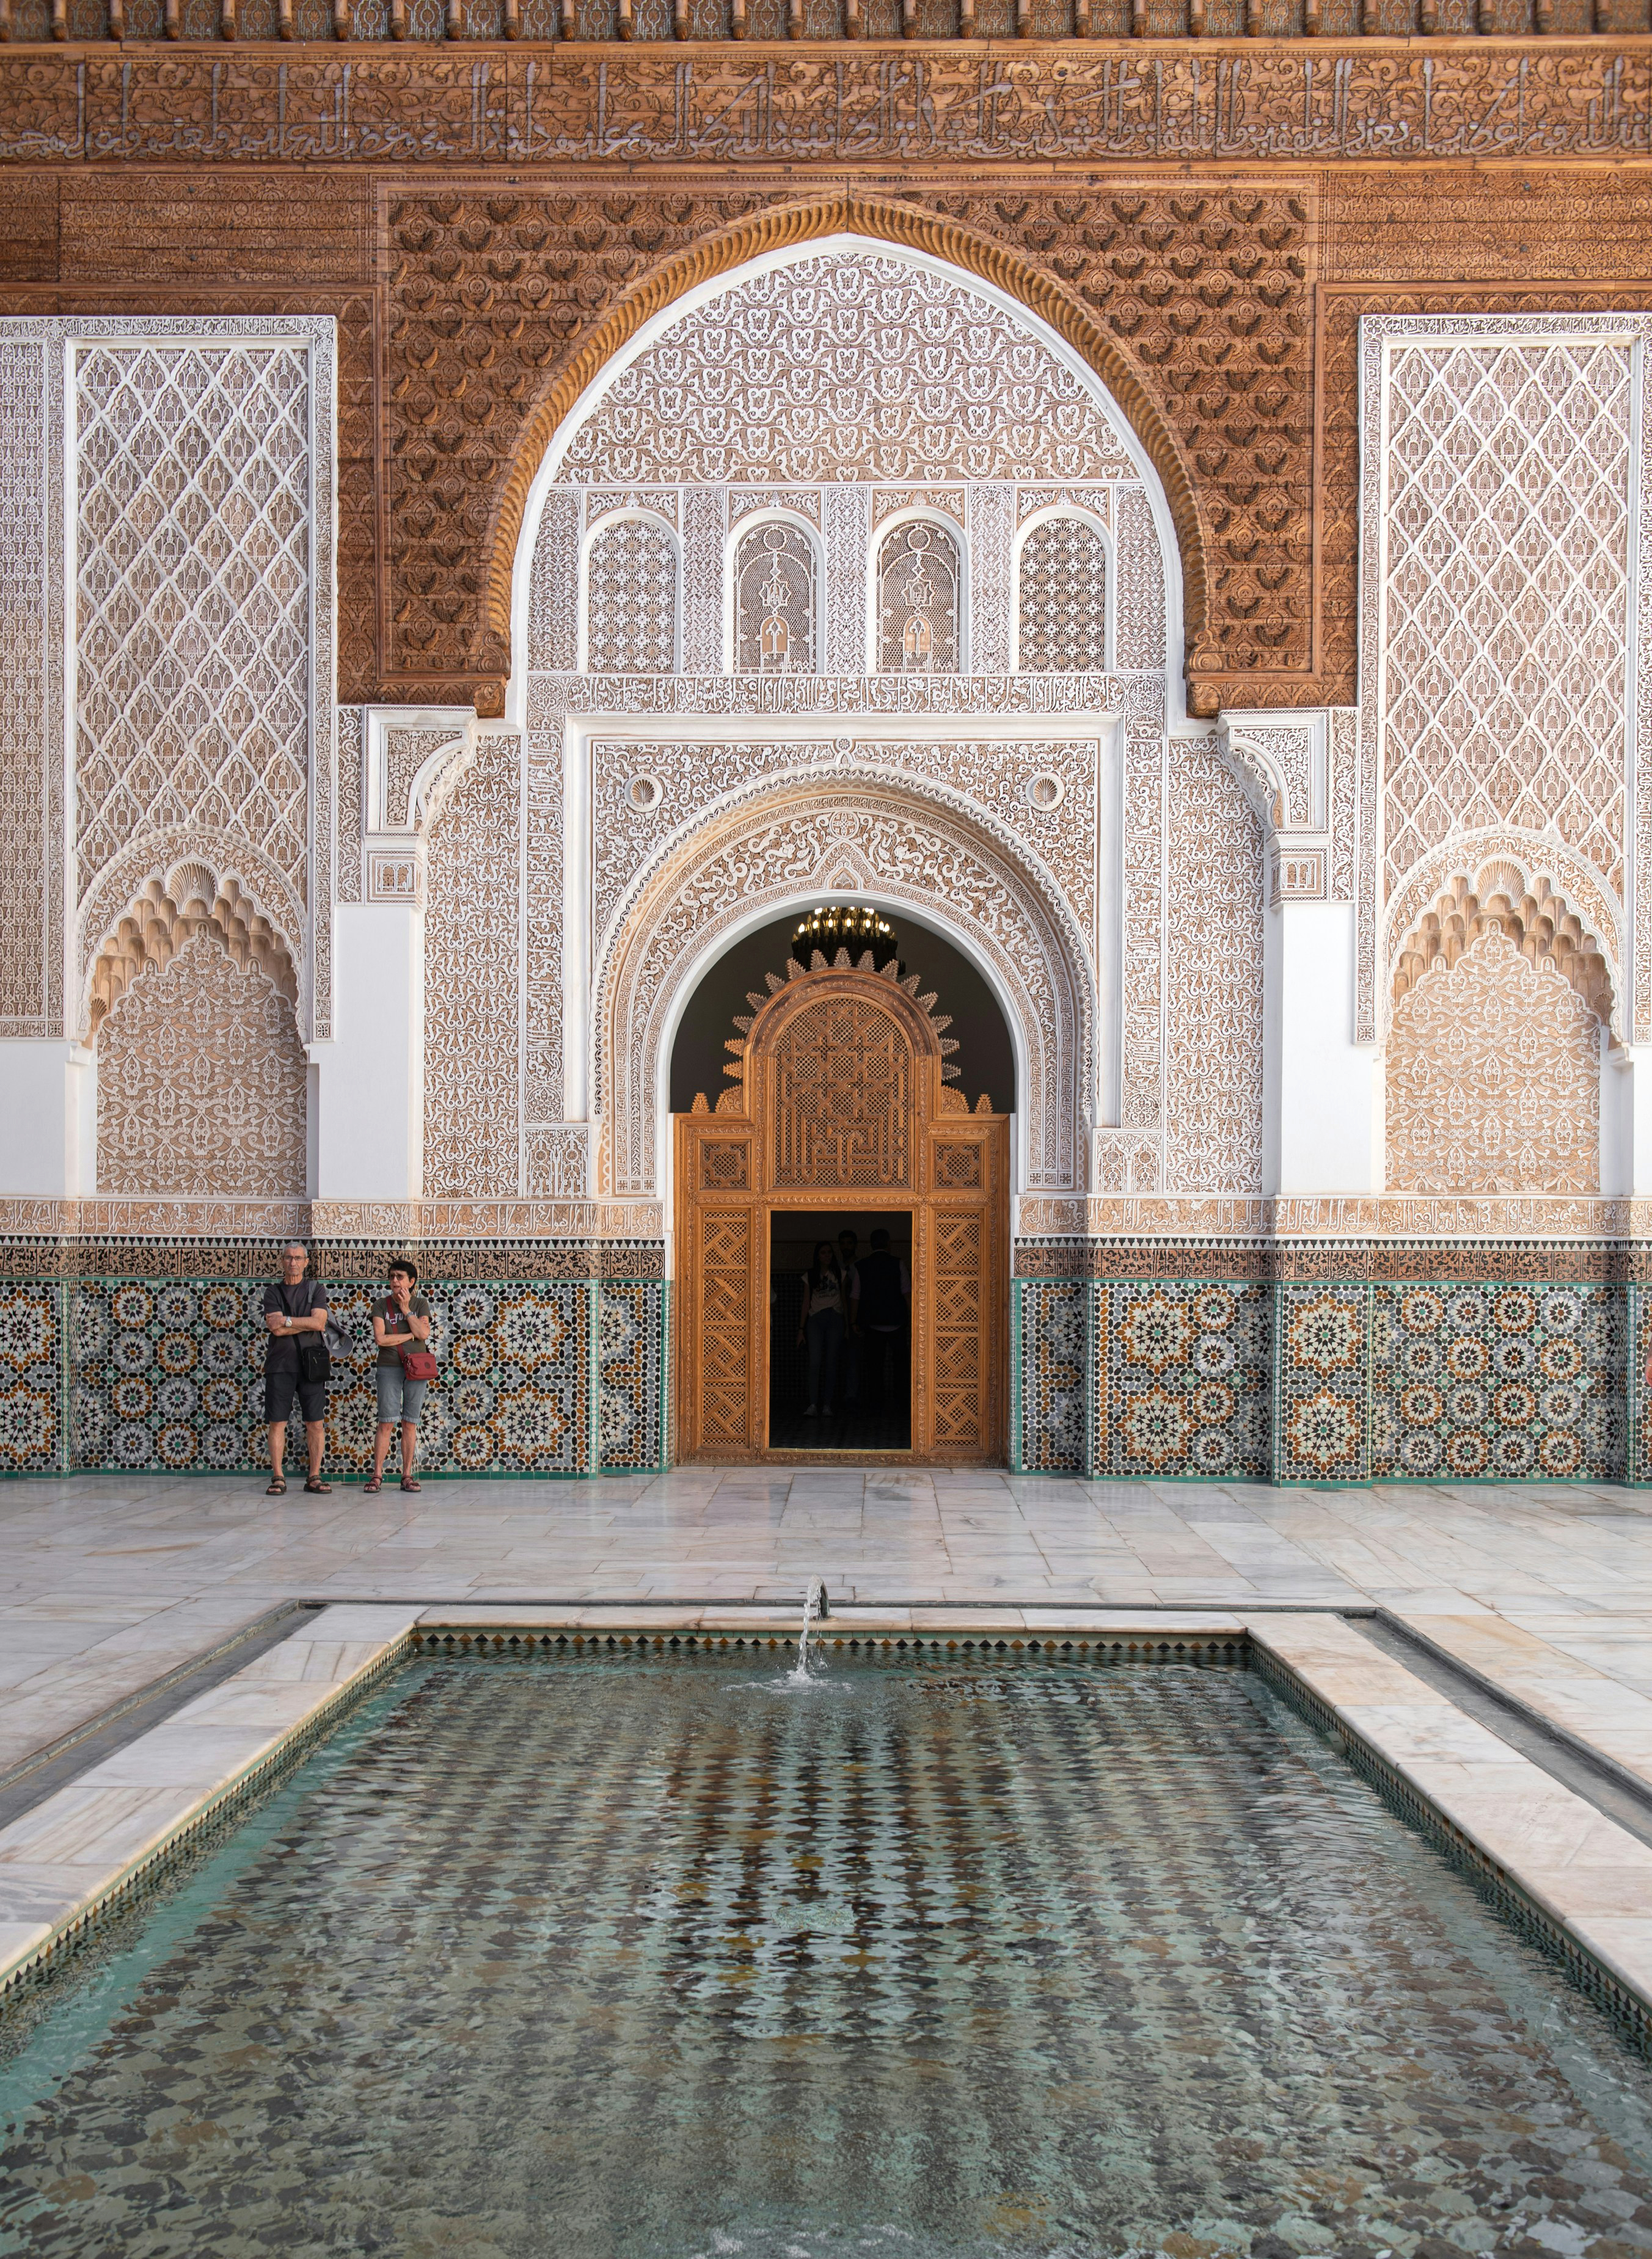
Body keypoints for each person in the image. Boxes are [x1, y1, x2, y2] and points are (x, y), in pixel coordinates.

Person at [263, 1241, 331, 1495]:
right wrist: (306, 1323)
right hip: (280, 1366)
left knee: (315, 1422)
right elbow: (276, 1329)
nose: (293, 1263)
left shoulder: (316, 1290)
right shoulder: (273, 1293)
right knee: (277, 1422)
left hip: (312, 1366)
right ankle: (278, 1477)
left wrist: (288, 1320)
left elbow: (319, 1323)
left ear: (306, 1262)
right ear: (282, 1261)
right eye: (289, 1258)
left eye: (298, 1258)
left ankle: (314, 1476)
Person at [366, 1258, 433, 1495]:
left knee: (410, 1422)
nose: (395, 1281)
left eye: (400, 1277)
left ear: (411, 1281)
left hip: (417, 1368)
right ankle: (377, 1475)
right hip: (389, 1367)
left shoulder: (420, 1304)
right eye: (392, 1276)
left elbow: (424, 1332)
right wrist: (410, 1336)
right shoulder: (380, 1306)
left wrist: (406, 1311)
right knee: (386, 1421)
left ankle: (407, 1475)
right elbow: (381, 1339)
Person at [857, 1227, 911, 1417]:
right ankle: (902, 1402)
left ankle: (876, 1404)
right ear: (889, 1244)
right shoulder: (898, 1264)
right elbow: (907, 1293)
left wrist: (854, 1322)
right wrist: (912, 1318)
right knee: (900, 1366)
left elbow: (855, 1296)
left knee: (874, 1366)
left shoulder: (861, 1266)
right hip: (896, 1323)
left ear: (871, 1244)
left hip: (872, 1324)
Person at [796, 1241, 846, 1419]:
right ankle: (813, 1403)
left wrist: (847, 1324)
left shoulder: (840, 1273)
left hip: (835, 1318)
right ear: (818, 1255)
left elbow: (845, 1299)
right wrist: (801, 1329)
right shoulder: (810, 1275)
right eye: (824, 1253)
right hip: (816, 1319)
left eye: (830, 1253)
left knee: (831, 1362)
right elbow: (806, 1302)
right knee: (815, 1361)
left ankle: (827, 1404)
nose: (827, 1256)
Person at [836, 1227, 862, 1403]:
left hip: (855, 1318)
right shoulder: (836, 1268)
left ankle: (852, 1395)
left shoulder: (859, 1268)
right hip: (838, 1317)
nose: (846, 1247)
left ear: (855, 1246)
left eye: (849, 1244)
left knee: (853, 1358)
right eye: (843, 1244)